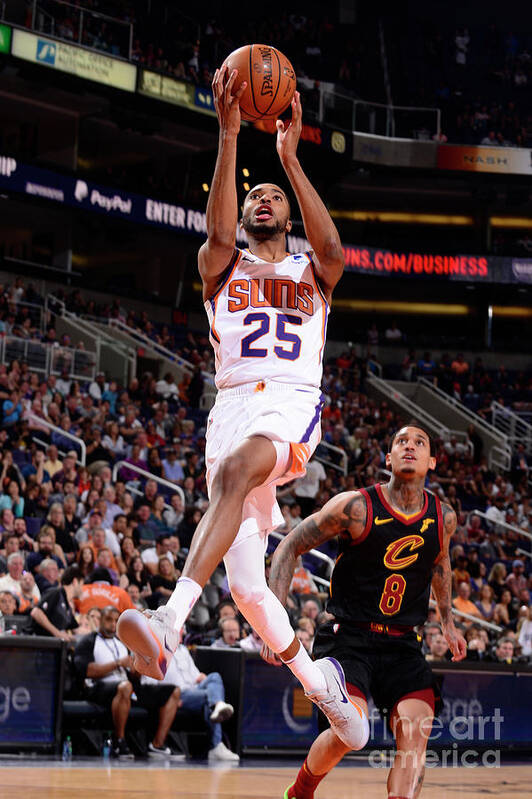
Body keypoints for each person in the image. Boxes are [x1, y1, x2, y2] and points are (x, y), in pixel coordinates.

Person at [117, 69, 364, 749]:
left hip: (288, 404)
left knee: (241, 470)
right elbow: (219, 229)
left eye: (272, 195)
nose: (262, 199)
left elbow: (338, 250)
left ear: (287, 215)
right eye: (254, 193)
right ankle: (323, 688)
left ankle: (169, 620)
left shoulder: (313, 268)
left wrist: (289, 156)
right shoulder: (219, 264)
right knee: (251, 588)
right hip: (230, 406)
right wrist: (228, 135)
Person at [265, 422, 467, 799]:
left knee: (415, 731)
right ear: (388, 458)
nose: (410, 446)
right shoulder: (355, 507)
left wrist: (449, 621)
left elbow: (441, 564)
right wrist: (273, 622)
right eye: (401, 441)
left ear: (432, 461)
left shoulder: (444, 518)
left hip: (403, 644)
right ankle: (301, 791)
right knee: (350, 733)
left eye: (420, 442)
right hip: (349, 638)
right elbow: (288, 547)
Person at [73, 606, 182, 758]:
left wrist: (139, 667)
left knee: (173, 691)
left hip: (127, 686)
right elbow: (86, 671)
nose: (113, 624)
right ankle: (120, 742)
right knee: (126, 687)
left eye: (116, 620)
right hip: (97, 688)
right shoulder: (88, 641)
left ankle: (157, 744)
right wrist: (118, 663)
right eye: (109, 619)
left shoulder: (122, 641)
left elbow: (134, 676)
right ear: (99, 620)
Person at [142, 638, 238, 761]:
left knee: (214, 676)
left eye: (183, 628)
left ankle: (217, 704)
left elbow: (197, 676)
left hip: (193, 689)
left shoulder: (183, 650)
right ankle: (216, 745)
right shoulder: (156, 649)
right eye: (180, 627)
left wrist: (203, 678)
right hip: (176, 694)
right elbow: (150, 683)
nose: (182, 631)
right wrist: (171, 697)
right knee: (209, 698)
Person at [30, 564, 83, 640]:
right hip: (36, 645)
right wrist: (57, 633)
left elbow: (77, 630)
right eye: (81, 584)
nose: (82, 589)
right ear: (75, 582)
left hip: (50, 647)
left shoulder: (68, 608)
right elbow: (36, 612)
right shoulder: (56, 593)